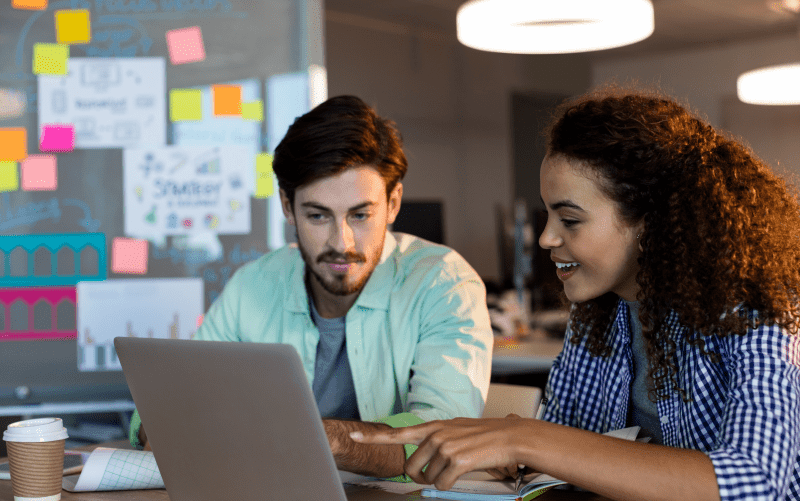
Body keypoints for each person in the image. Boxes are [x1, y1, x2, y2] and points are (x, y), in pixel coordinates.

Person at [352, 86, 800, 500]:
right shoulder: (598, 315)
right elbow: (559, 454)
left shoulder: (757, 310)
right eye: (547, 215)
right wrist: (506, 446)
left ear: (650, 224)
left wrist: (528, 439)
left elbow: (756, 482)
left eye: (570, 220)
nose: (547, 238)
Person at [128, 95, 493, 480]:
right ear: (288, 206)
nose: (342, 242)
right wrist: (160, 421)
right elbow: (165, 401)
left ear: (394, 202)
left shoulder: (444, 284)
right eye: (318, 215)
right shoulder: (254, 284)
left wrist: (317, 437)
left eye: (361, 215)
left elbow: (443, 439)